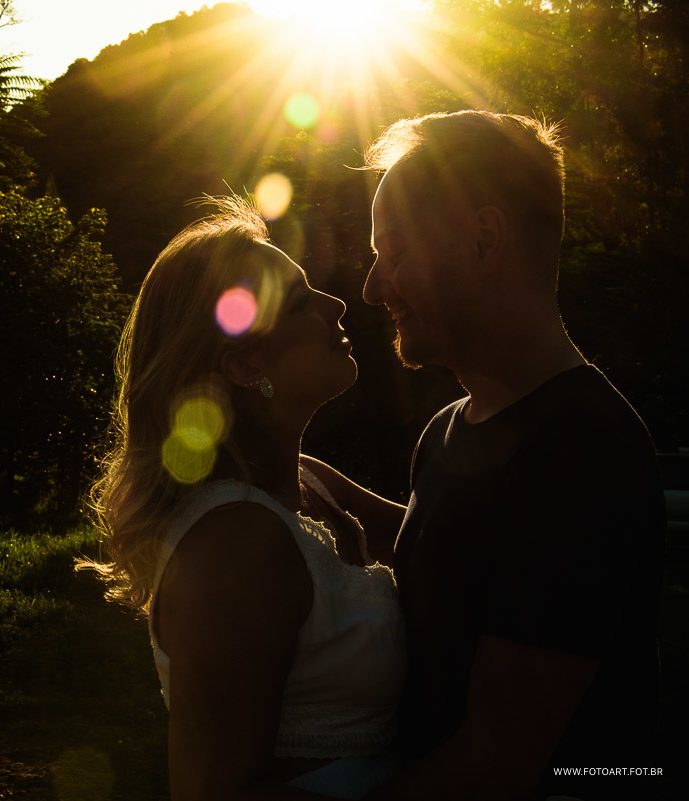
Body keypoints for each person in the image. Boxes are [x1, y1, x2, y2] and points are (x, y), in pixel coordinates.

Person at [352, 111, 666, 800]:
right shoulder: (446, 431)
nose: (375, 287)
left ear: (485, 241)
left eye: (394, 250)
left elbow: (495, 767)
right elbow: (452, 552)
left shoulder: (584, 452)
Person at [83, 196, 408, 799]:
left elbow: (440, 535)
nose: (337, 304)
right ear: (244, 362)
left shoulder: (310, 481)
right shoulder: (235, 544)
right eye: (302, 301)